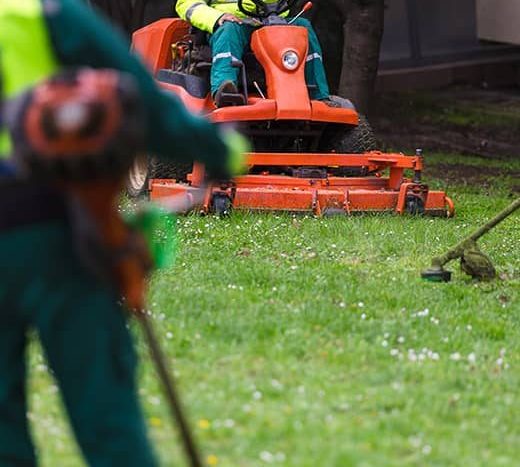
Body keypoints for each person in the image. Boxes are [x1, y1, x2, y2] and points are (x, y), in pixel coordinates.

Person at [0, 0, 246, 465]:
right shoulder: (43, 13)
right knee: (103, 409)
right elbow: (137, 97)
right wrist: (218, 148)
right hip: (54, 233)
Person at [176, 0, 338, 107]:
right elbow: (187, 4)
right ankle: (224, 90)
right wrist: (218, 17)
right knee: (229, 30)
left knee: (304, 27)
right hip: (231, 23)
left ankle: (319, 96)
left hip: (270, 22)